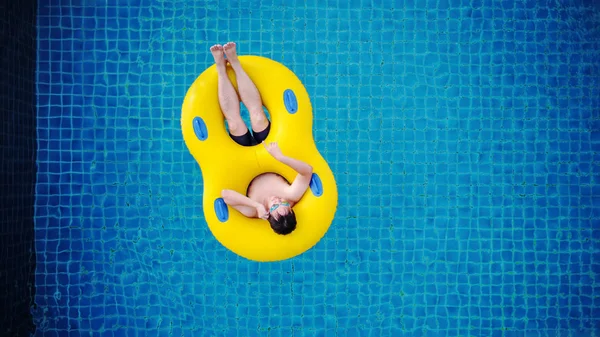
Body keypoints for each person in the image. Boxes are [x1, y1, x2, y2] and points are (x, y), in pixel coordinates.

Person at [210, 42, 313, 235]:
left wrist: (255, 204)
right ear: (290, 208)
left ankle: (221, 69)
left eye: (274, 208)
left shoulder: (253, 211)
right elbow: (307, 171)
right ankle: (234, 61)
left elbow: (225, 195)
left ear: (269, 217)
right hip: (269, 152)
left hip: (243, 160)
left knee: (235, 124)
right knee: (257, 117)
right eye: (282, 204)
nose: (276, 200)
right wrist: (281, 157)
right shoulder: (292, 195)